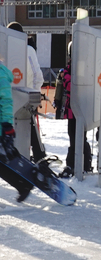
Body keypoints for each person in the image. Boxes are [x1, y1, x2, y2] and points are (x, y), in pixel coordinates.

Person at [7, 22, 46, 162]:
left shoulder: (27, 50)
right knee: (28, 129)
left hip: (15, 100)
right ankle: (38, 157)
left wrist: (34, 96)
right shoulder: (26, 49)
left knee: (23, 129)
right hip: (24, 100)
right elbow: (38, 76)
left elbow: (37, 76)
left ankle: (37, 157)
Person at [0, 60, 34, 202]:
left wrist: (7, 125)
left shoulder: (1, 74)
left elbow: (6, 101)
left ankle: (23, 183)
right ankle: (23, 184)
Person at [59, 42, 93, 178]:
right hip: (78, 109)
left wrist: (64, 76)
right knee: (78, 137)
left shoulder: (74, 68)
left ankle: (74, 164)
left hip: (75, 109)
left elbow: (72, 86)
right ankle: (84, 163)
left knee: (75, 137)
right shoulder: (82, 66)